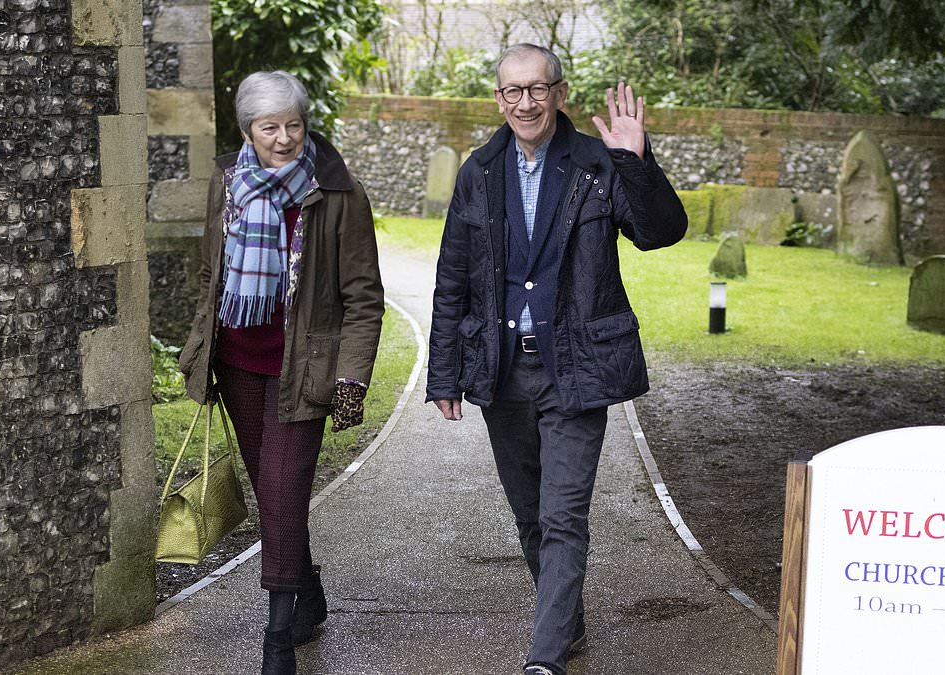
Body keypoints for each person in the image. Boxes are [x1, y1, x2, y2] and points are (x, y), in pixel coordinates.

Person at [426, 44, 688, 675]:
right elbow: (453, 274)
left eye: (537, 89)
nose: (525, 102)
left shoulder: (599, 163)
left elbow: (661, 231)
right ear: (498, 99)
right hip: (502, 368)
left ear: (559, 93)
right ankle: (565, 622)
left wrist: (637, 159)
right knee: (530, 515)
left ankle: (544, 660)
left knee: (562, 514)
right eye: (512, 91)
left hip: (576, 367)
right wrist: (443, 372)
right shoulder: (479, 171)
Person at [179, 70, 384, 675]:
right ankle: (308, 592)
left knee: (283, 487)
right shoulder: (227, 181)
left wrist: (352, 377)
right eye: (270, 127)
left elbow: (364, 298)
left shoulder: (339, 193)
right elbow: (211, 268)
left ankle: (276, 639)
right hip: (239, 361)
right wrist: (202, 346)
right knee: (275, 495)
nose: (285, 138)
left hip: (306, 369)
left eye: (294, 124)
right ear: (248, 130)